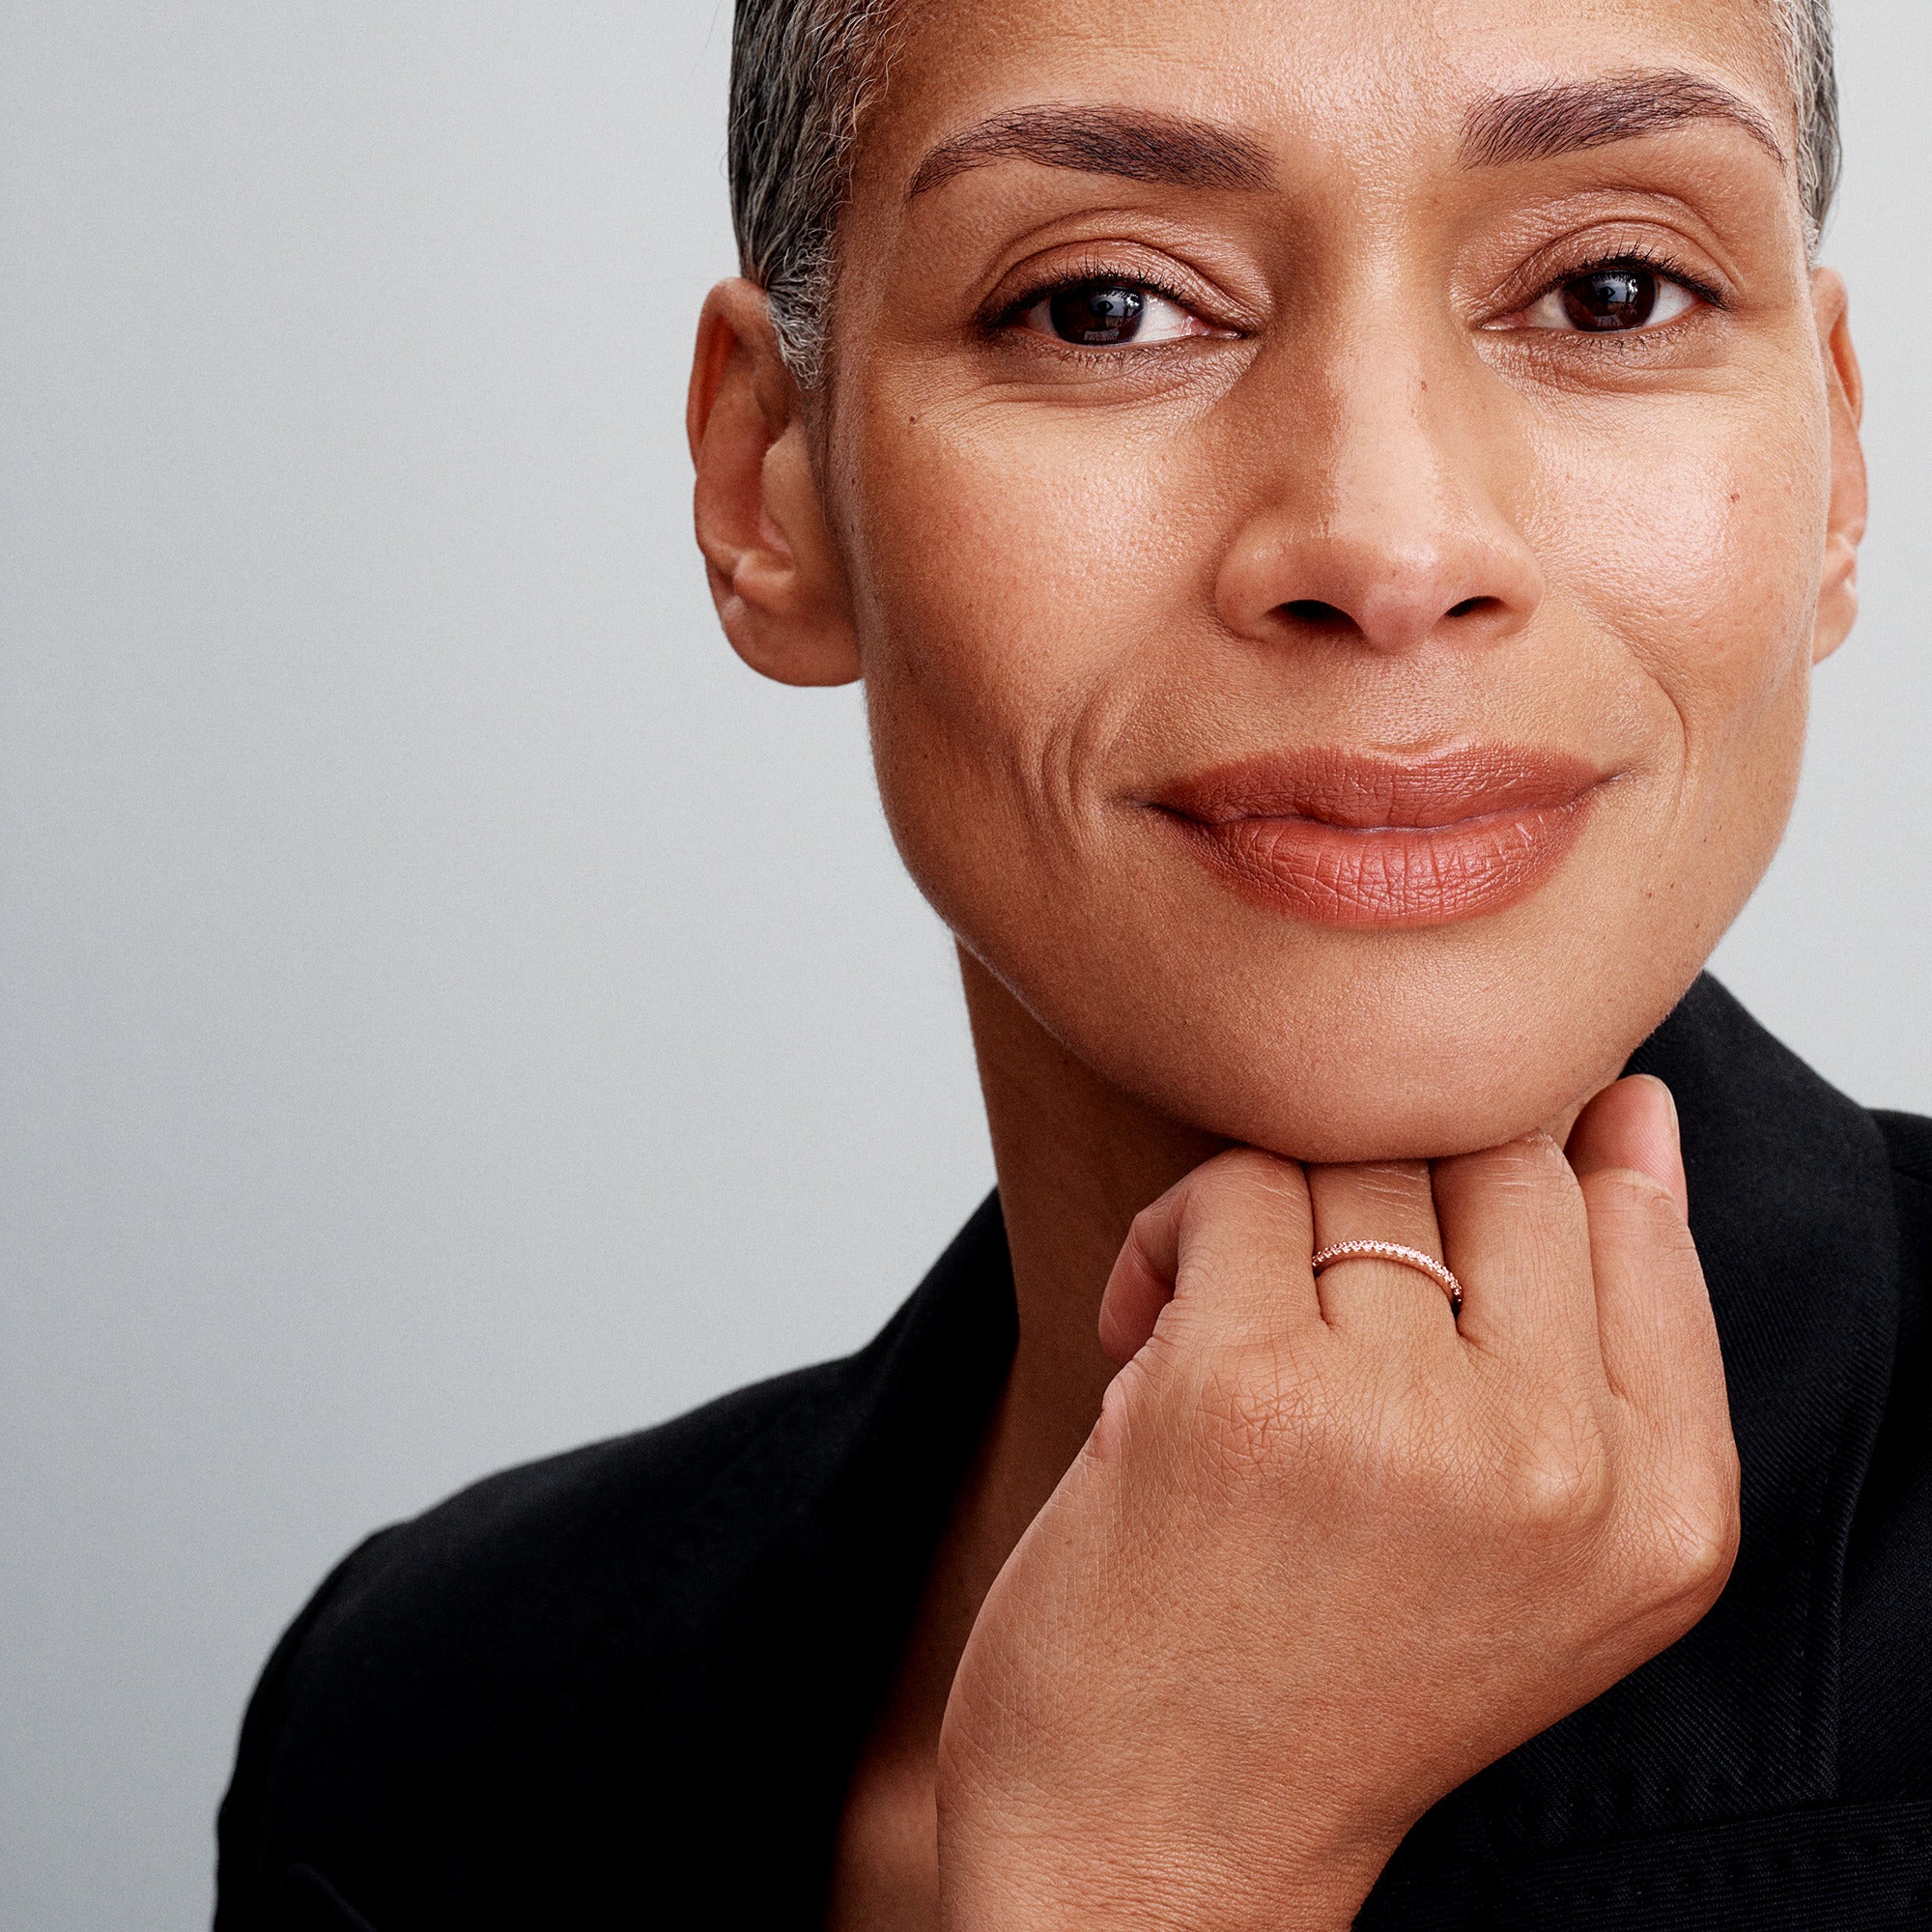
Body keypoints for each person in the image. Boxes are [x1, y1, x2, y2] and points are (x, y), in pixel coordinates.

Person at [213, 0, 1932, 1925]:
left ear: (1837, 457)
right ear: (770, 482)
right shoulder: (417, 1718)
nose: (1386, 540)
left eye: (1613, 290)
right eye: (1103, 308)